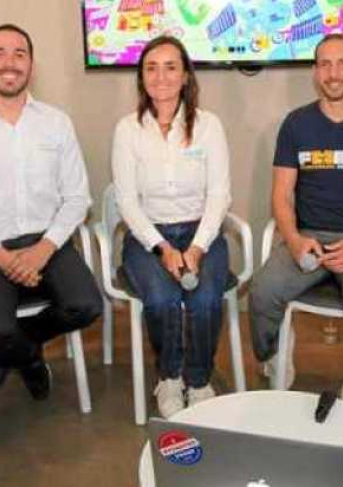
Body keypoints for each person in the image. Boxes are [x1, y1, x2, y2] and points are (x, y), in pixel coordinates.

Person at [0, 24, 101, 398]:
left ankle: (16, 347)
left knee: (86, 306)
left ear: (31, 64)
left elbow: (77, 198)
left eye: (19, 54)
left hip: (49, 243)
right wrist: (2, 257)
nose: (9, 63)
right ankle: (27, 358)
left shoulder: (56, 122)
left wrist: (43, 249)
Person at [250, 34, 343, 405]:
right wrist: (294, 239)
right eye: (325, 64)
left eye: (342, 63)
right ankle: (274, 352)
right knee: (262, 293)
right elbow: (281, 196)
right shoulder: (296, 124)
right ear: (315, 72)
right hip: (308, 236)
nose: (334, 73)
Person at [112, 35, 232, 418]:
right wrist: (162, 248)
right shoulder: (128, 129)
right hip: (148, 236)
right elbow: (127, 201)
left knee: (205, 299)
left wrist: (196, 248)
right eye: (151, 68)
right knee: (162, 299)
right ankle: (169, 376)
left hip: (201, 233)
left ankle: (198, 379)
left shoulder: (209, 126)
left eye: (170, 67)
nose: (160, 76)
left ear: (185, 77)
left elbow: (219, 195)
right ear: (141, 78)